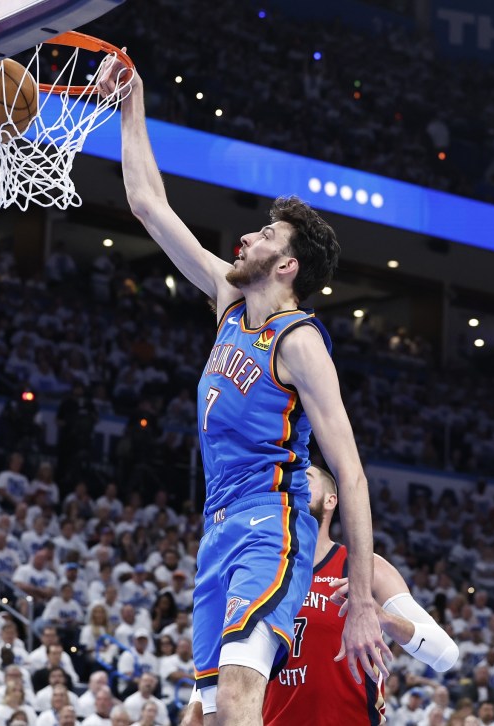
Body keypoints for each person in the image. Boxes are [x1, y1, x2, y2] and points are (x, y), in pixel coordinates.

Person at [98, 60, 388, 726]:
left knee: (236, 699)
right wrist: (131, 104)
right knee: (204, 715)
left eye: (266, 234)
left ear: (286, 266)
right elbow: (147, 204)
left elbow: (351, 473)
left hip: (273, 527)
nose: (249, 234)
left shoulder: (300, 342)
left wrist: (365, 601)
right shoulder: (229, 302)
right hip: (218, 529)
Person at [262, 466, 459, 724]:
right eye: (292, 478)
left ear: (331, 500)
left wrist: (381, 615)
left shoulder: (365, 568)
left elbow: (445, 654)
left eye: (306, 477)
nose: (295, 481)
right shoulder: (264, 569)